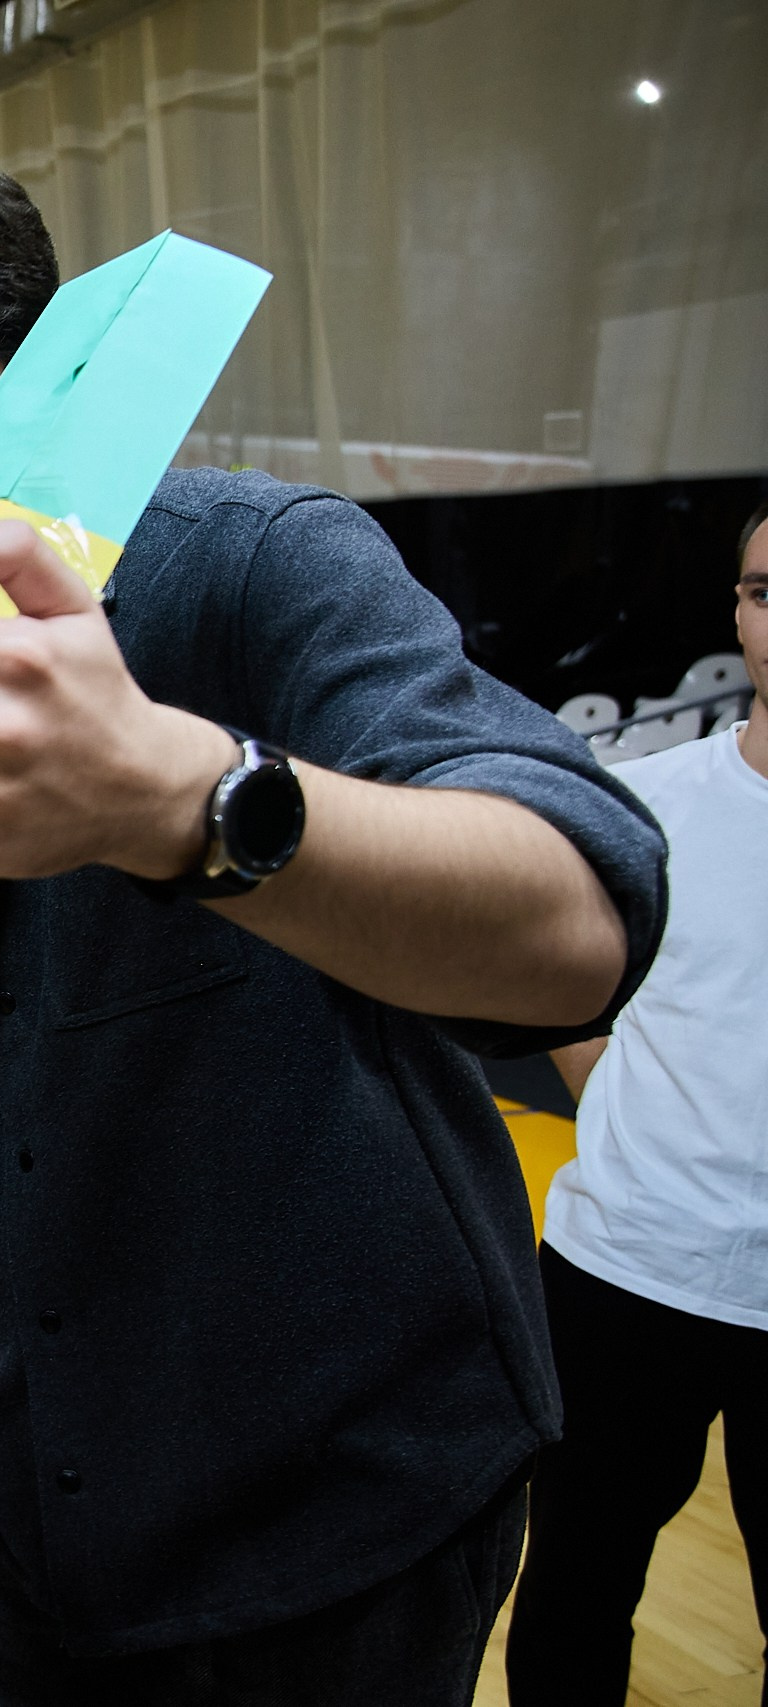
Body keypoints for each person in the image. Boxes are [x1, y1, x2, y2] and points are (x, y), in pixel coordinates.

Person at [0, 127, 668, 1703]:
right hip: (37, 1466)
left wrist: (176, 803)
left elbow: (583, 918)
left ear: (58, 383)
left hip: (342, 1491)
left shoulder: (263, 566)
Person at [503, 501, 768, 1705]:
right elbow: (547, 972)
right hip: (627, 1268)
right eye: (764, 594)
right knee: (573, 1589)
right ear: (736, 611)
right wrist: (603, 1081)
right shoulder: (646, 799)